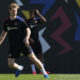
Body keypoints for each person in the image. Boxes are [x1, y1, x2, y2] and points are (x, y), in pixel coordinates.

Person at [0, 2, 49, 78]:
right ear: (9, 10)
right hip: (13, 46)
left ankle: (44, 72)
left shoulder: (20, 20)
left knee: (34, 59)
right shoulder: (6, 22)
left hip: (23, 44)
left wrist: (26, 38)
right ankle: (20, 68)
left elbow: (28, 30)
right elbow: (3, 34)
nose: (15, 12)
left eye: (16, 11)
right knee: (10, 64)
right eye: (13, 10)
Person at [26, 9, 50, 74]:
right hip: (30, 42)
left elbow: (44, 20)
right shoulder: (27, 21)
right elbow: (24, 31)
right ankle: (33, 71)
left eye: (32, 14)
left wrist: (39, 14)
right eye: (30, 14)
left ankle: (42, 71)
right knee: (32, 56)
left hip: (37, 41)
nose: (30, 15)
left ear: (34, 15)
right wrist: (29, 38)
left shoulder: (36, 20)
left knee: (40, 55)